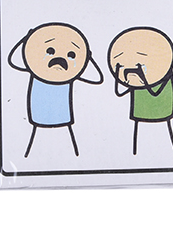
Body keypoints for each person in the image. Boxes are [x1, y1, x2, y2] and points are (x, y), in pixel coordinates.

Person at [8, 23, 103, 158]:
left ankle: (76, 156)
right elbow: (13, 61)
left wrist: (87, 57)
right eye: (50, 51)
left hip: (63, 113)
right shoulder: (37, 69)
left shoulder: (67, 75)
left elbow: (97, 78)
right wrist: (26, 39)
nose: (59, 59)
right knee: (35, 137)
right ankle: (28, 156)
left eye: (71, 55)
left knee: (69, 139)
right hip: (38, 112)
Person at [108, 27, 173, 155]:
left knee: (166, 137)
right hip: (139, 110)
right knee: (137, 139)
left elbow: (155, 93)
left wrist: (142, 77)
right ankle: (135, 155)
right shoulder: (135, 81)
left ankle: (172, 152)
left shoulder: (164, 73)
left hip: (162, 110)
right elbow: (119, 93)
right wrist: (119, 72)